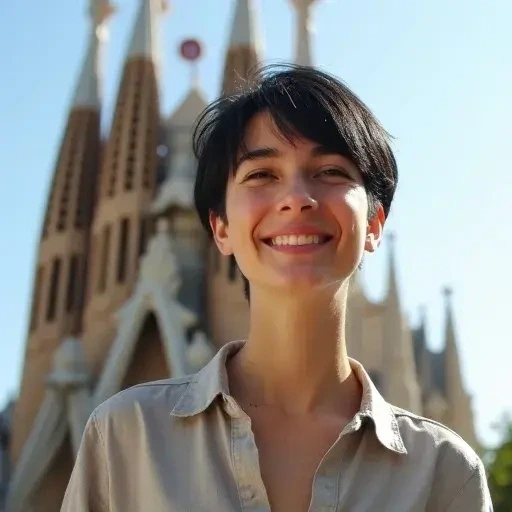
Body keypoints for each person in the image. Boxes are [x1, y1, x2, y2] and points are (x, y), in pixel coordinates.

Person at [61, 64, 492, 511]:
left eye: (329, 171)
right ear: (221, 228)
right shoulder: (126, 438)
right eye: (261, 174)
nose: (297, 197)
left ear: (373, 225)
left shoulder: (442, 471)